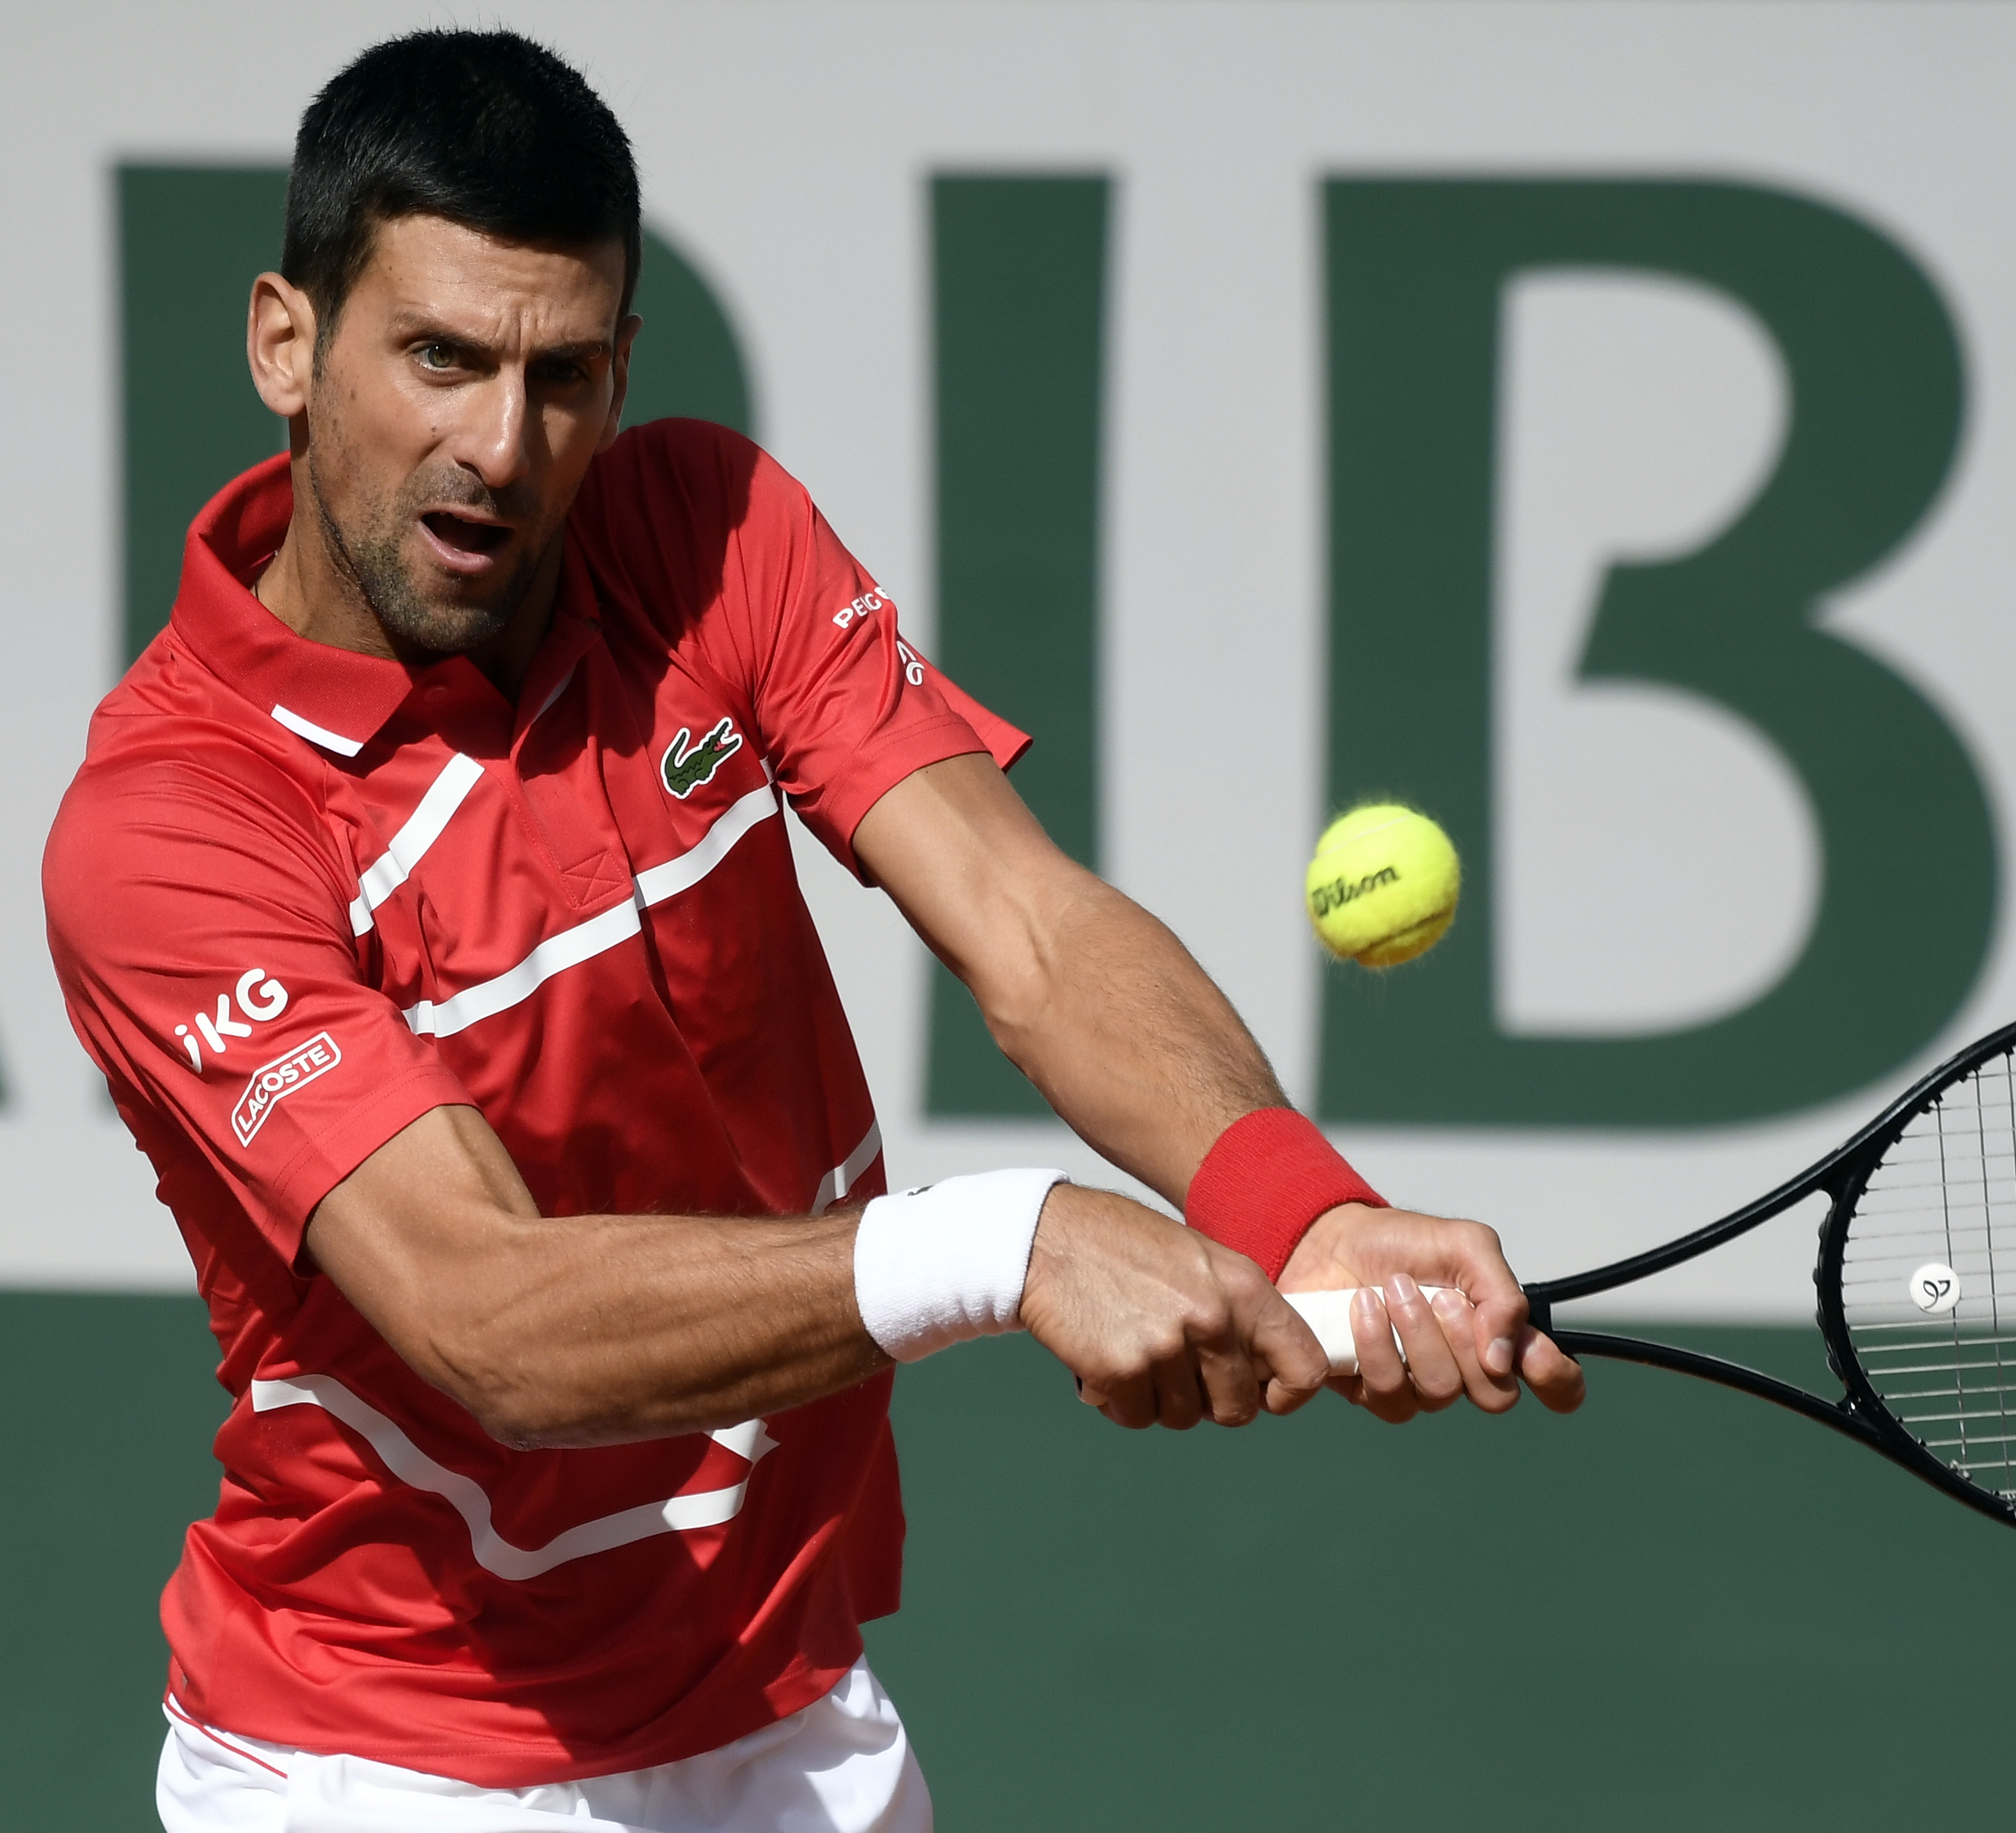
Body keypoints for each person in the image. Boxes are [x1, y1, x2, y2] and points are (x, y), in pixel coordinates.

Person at [43, 29, 1583, 1833]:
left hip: (786, 1712)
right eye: (439, 359)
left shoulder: (699, 531)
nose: (497, 449)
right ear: (285, 345)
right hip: (386, 1763)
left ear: (621, 372)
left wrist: (1296, 1209)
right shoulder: (171, 827)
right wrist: (1009, 1245)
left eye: (558, 377)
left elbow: (1027, 923)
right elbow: (491, 1319)